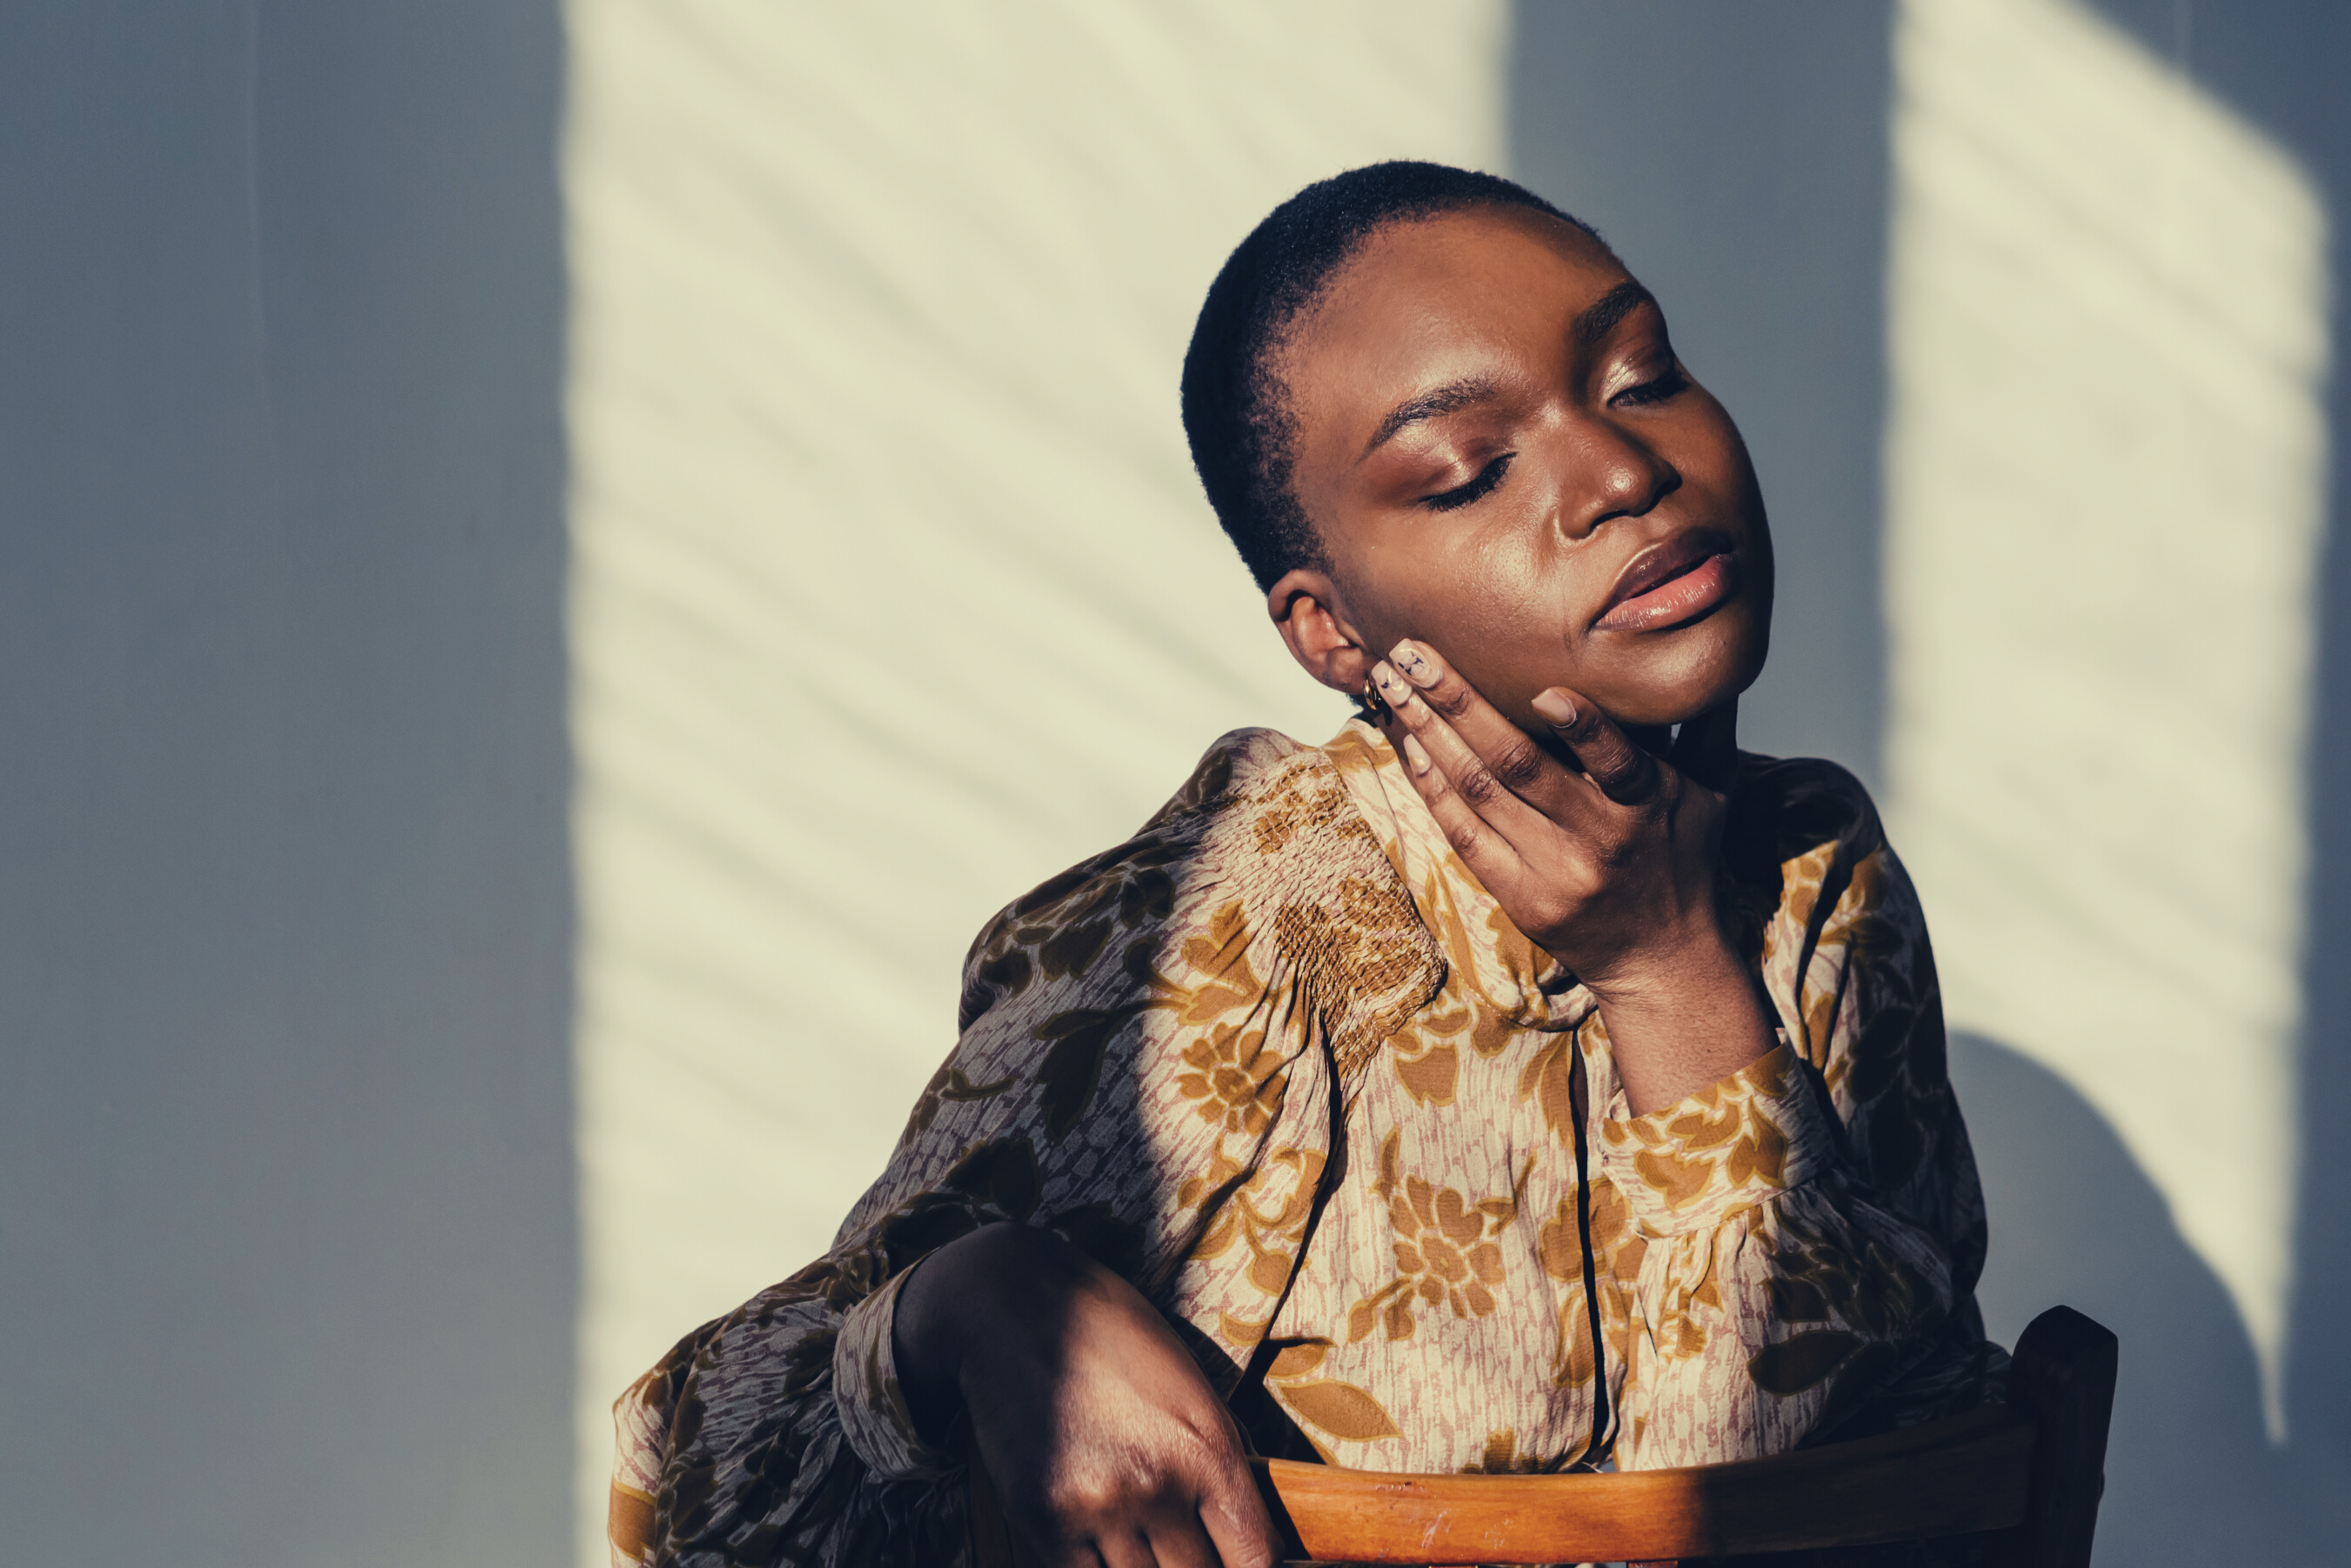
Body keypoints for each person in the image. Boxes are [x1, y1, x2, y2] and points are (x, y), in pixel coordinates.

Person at [606, 162, 1998, 1568]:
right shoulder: (1251, 918)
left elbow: (1877, 1496)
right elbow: (697, 1481)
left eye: (1640, 377)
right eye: (1469, 471)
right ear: (1332, 634)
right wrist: (969, 1305)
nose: (1624, 475)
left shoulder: (1821, 882)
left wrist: (1669, 977)